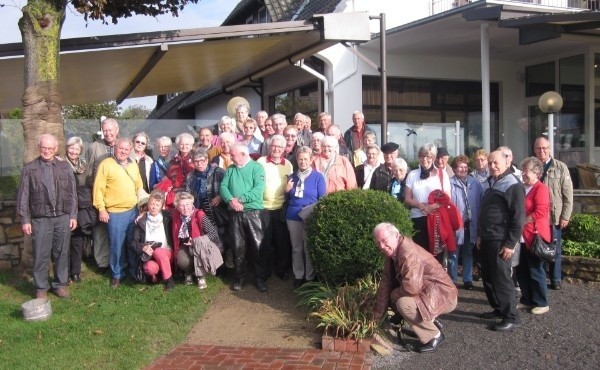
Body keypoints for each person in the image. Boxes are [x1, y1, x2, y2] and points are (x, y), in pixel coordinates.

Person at [373, 223, 457, 353]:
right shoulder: (394, 252)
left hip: (444, 296)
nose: (382, 246)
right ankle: (431, 321)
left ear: (396, 235)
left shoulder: (407, 252)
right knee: (393, 295)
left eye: (384, 241)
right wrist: (378, 314)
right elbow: (385, 283)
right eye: (378, 243)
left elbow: (411, 288)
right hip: (429, 294)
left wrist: (393, 297)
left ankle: (434, 336)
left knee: (403, 304)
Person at [17, 134, 78, 299]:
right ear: (39, 148)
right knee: (40, 254)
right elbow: (23, 197)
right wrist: (25, 220)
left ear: (56, 149)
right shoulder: (30, 168)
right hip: (40, 218)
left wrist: (73, 215)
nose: (47, 151)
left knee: (61, 253)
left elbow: (73, 194)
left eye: (51, 148)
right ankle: (41, 287)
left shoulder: (65, 167)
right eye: (44, 148)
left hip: (63, 217)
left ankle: (60, 285)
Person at [477, 150, 525, 331]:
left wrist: (510, 244)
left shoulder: (513, 185)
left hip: (500, 240)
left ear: (507, 162)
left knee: (501, 279)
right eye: (490, 163)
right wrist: (481, 235)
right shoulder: (492, 181)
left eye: (496, 163)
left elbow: (518, 218)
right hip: (487, 238)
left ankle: (511, 316)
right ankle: (499, 308)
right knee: (488, 276)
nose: (492, 166)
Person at [93, 137, 144, 288]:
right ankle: (117, 274)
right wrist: (101, 208)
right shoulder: (106, 164)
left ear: (130, 151)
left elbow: (139, 185)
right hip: (115, 212)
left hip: (133, 210)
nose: (123, 151)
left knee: (132, 242)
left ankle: (132, 270)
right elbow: (98, 189)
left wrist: (142, 205)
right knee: (116, 245)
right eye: (120, 148)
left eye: (126, 149)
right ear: (115, 148)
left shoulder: (133, 164)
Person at [220, 143, 268, 292]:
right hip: (235, 214)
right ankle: (240, 277)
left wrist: (240, 199)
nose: (231, 157)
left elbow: (258, 190)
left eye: (233, 155)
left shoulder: (257, 168)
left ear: (243, 154)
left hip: (254, 213)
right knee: (238, 247)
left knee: (257, 246)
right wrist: (231, 201)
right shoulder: (231, 169)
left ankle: (260, 278)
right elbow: (223, 187)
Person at [534, 137, 573, 291]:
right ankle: (541, 277)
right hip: (537, 217)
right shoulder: (532, 166)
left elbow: (568, 194)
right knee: (539, 247)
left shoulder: (560, 167)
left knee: (555, 248)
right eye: (538, 148)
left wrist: (565, 216)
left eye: (544, 148)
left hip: (554, 217)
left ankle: (555, 279)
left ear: (550, 148)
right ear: (534, 149)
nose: (541, 151)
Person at [285, 146, 326, 288]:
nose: (302, 162)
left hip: (310, 215)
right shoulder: (292, 177)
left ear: (311, 160)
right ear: (296, 159)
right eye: (300, 159)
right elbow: (287, 198)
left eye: (305, 159)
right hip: (293, 216)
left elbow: (322, 199)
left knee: (308, 247)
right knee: (296, 248)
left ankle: (309, 277)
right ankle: (298, 275)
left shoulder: (318, 177)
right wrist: (286, 190)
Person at [516, 156, 551, 315]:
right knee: (522, 269)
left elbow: (541, 211)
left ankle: (541, 302)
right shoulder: (523, 187)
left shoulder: (541, 188)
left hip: (534, 235)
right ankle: (527, 299)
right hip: (522, 237)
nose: (523, 174)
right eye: (523, 171)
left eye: (527, 172)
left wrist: (523, 222)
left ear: (536, 173)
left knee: (535, 270)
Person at [257, 135, 294, 282]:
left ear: (284, 149)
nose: (276, 149)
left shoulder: (288, 164)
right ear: (269, 147)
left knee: (282, 242)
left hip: (281, 207)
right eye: (274, 146)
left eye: (280, 147)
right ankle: (264, 271)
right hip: (264, 207)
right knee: (265, 241)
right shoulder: (260, 162)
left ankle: (282, 270)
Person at [85, 117, 119, 274]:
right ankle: (102, 262)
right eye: (105, 130)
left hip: (118, 198)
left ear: (116, 131)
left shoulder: (124, 145)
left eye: (110, 130)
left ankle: (118, 261)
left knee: (118, 231)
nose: (107, 133)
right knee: (100, 232)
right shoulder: (94, 147)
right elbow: (89, 172)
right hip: (100, 197)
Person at [403, 144, 450, 253]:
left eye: (428, 156)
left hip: (437, 219)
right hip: (418, 219)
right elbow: (407, 199)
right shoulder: (412, 174)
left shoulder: (442, 174)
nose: (424, 159)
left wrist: (432, 207)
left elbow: (447, 197)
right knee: (421, 253)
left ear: (433, 158)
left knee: (437, 254)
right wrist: (420, 206)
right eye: (422, 156)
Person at [172, 192, 223, 290]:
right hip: (185, 245)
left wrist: (197, 241)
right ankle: (188, 273)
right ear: (177, 207)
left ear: (192, 204)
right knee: (182, 260)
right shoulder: (176, 215)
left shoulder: (199, 214)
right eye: (182, 205)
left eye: (187, 204)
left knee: (198, 248)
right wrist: (144, 212)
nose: (185, 208)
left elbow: (213, 233)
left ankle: (201, 277)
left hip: (201, 245)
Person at [450, 155, 484, 289]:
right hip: (456, 225)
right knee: (453, 253)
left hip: (471, 224)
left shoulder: (475, 183)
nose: (463, 169)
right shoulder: (449, 183)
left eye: (465, 167)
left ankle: (467, 279)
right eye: (460, 167)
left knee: (468, 253)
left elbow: (481, 202)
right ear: (454, 168)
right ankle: (452, 280)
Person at [131, 190, 175, 291]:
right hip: (149, 255)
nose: (154, 207)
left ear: (162, 206)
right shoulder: (141, 221)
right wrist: (143, 247)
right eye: (151, 204)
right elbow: (133, 243)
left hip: (166, 252)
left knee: (159, 252)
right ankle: (158, 275)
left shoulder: (167, 217)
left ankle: (169, 280)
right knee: (149, 268)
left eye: (157, 204)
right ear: (148, 204)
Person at [65, 136, 94, 283]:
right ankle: (65, 272)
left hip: (81, 206)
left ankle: (75, 272)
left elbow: (88, 182)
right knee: (65, 241)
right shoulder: (61, 163)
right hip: (66, 205)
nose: (74, 151)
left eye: (77, 149)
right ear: (67, 148)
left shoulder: (84, 164)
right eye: (71, 148)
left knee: (77, 239)